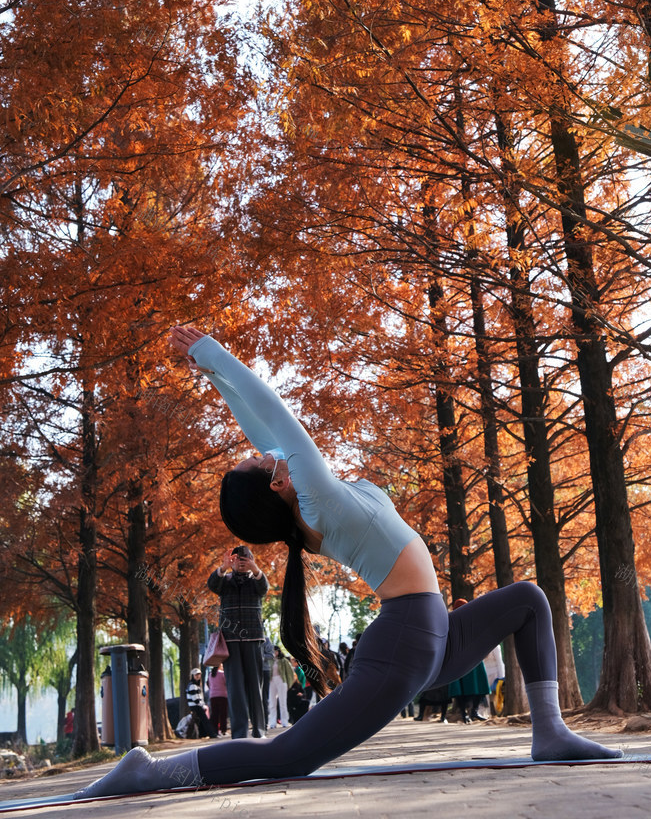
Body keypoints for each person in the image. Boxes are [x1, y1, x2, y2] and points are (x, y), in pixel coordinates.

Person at [75, 326, 622, 799]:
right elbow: (276, 416)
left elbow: (261, 426)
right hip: (406, 642)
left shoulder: (303, 500)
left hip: (431, 636)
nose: (260, 449)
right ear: (277, 484)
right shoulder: (317, 496)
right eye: (256, 460)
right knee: (287, 756)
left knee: (528, 599)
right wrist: (214, 352)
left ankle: (549, 732)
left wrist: (209, 372)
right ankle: (148, 773)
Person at [206, 545, 269, 739]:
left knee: (255, 688)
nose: (241, 563)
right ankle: (240, 733)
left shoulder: (256, 580)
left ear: (251, 560)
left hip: (253, 638)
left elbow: (264, 588)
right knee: (235, 688)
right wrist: (223, 567)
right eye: (238, 560)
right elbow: (211, 585)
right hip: (230, 641)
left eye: (246, 559)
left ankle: (259, 730)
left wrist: (256, 568)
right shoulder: (224, 581)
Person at [268, 646, 295, 729]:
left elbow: (290, 673)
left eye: (276, 651)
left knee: (282, 703)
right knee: (272, 703)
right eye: (273, 651)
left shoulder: (284, 661)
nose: (274, 653)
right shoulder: (270, 660)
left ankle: (284, 722)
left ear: (279, 651)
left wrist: (288, 684)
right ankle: (272, 723)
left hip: (281, 681)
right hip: (272, 681)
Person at [185, 668, 215, 739]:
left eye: (199, 674)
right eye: (196, 675)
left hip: (197, 705)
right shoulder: (193, 686)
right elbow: (195, 699)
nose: (198, 676)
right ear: (193, 676)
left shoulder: (195, 685)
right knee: (205, 720)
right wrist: (202, 705)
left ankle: (203, 734)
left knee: (202, 721)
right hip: (196, 706)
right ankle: (212, 734)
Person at [207, 666, 228, 737]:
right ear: (220, 666)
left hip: (213, 696)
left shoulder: (210, 674)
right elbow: (226, 683)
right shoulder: (222, 674)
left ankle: (215, 730)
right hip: (222, 695)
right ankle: (223, 730)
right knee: (223, 714)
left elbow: (208, 684)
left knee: (214, 714)